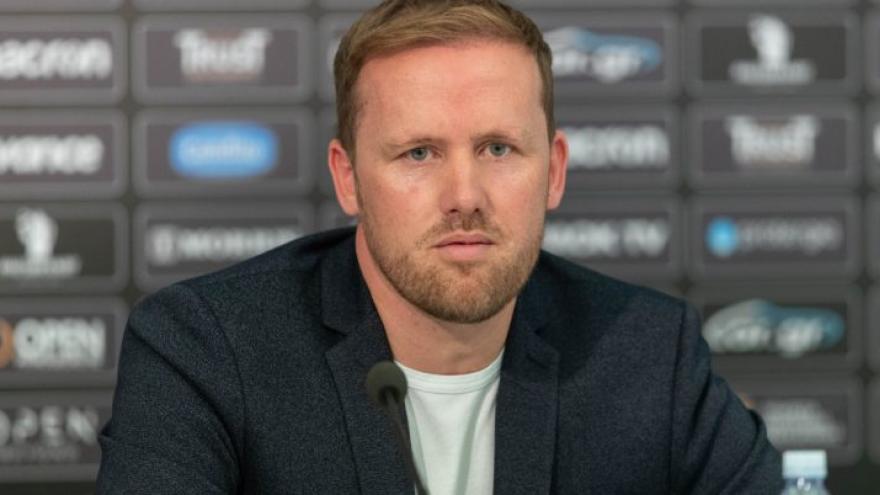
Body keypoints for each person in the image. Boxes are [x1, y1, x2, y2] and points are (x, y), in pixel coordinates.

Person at [96, 1, 783, 493]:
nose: (465, 195)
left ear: (554, 171)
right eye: (419, 152)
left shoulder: (649, 353)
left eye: (498, 148)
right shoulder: (207, 349)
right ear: (348, 178)